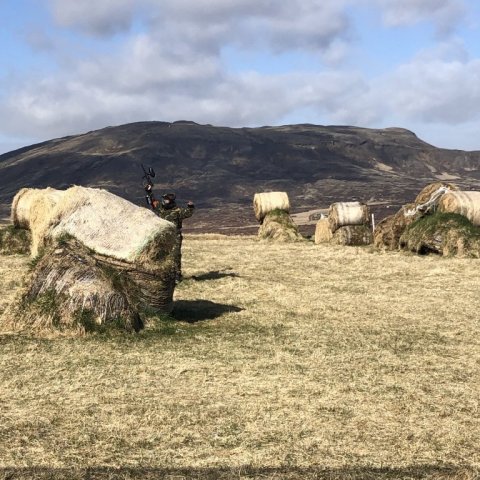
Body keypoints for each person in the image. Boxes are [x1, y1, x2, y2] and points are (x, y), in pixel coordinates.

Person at [154, 193, 194, 282]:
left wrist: (190, 206)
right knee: (161, 255)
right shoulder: (160, 207)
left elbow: (188, 213)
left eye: (166, 200)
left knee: (175, 256)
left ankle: (177, 276)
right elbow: (153, 202)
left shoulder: (178, 210)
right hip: (163, 235)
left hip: (175, 236)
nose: (164, 202)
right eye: (163, 200)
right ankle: (163, 275)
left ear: (171, 201)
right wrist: (149, 191)